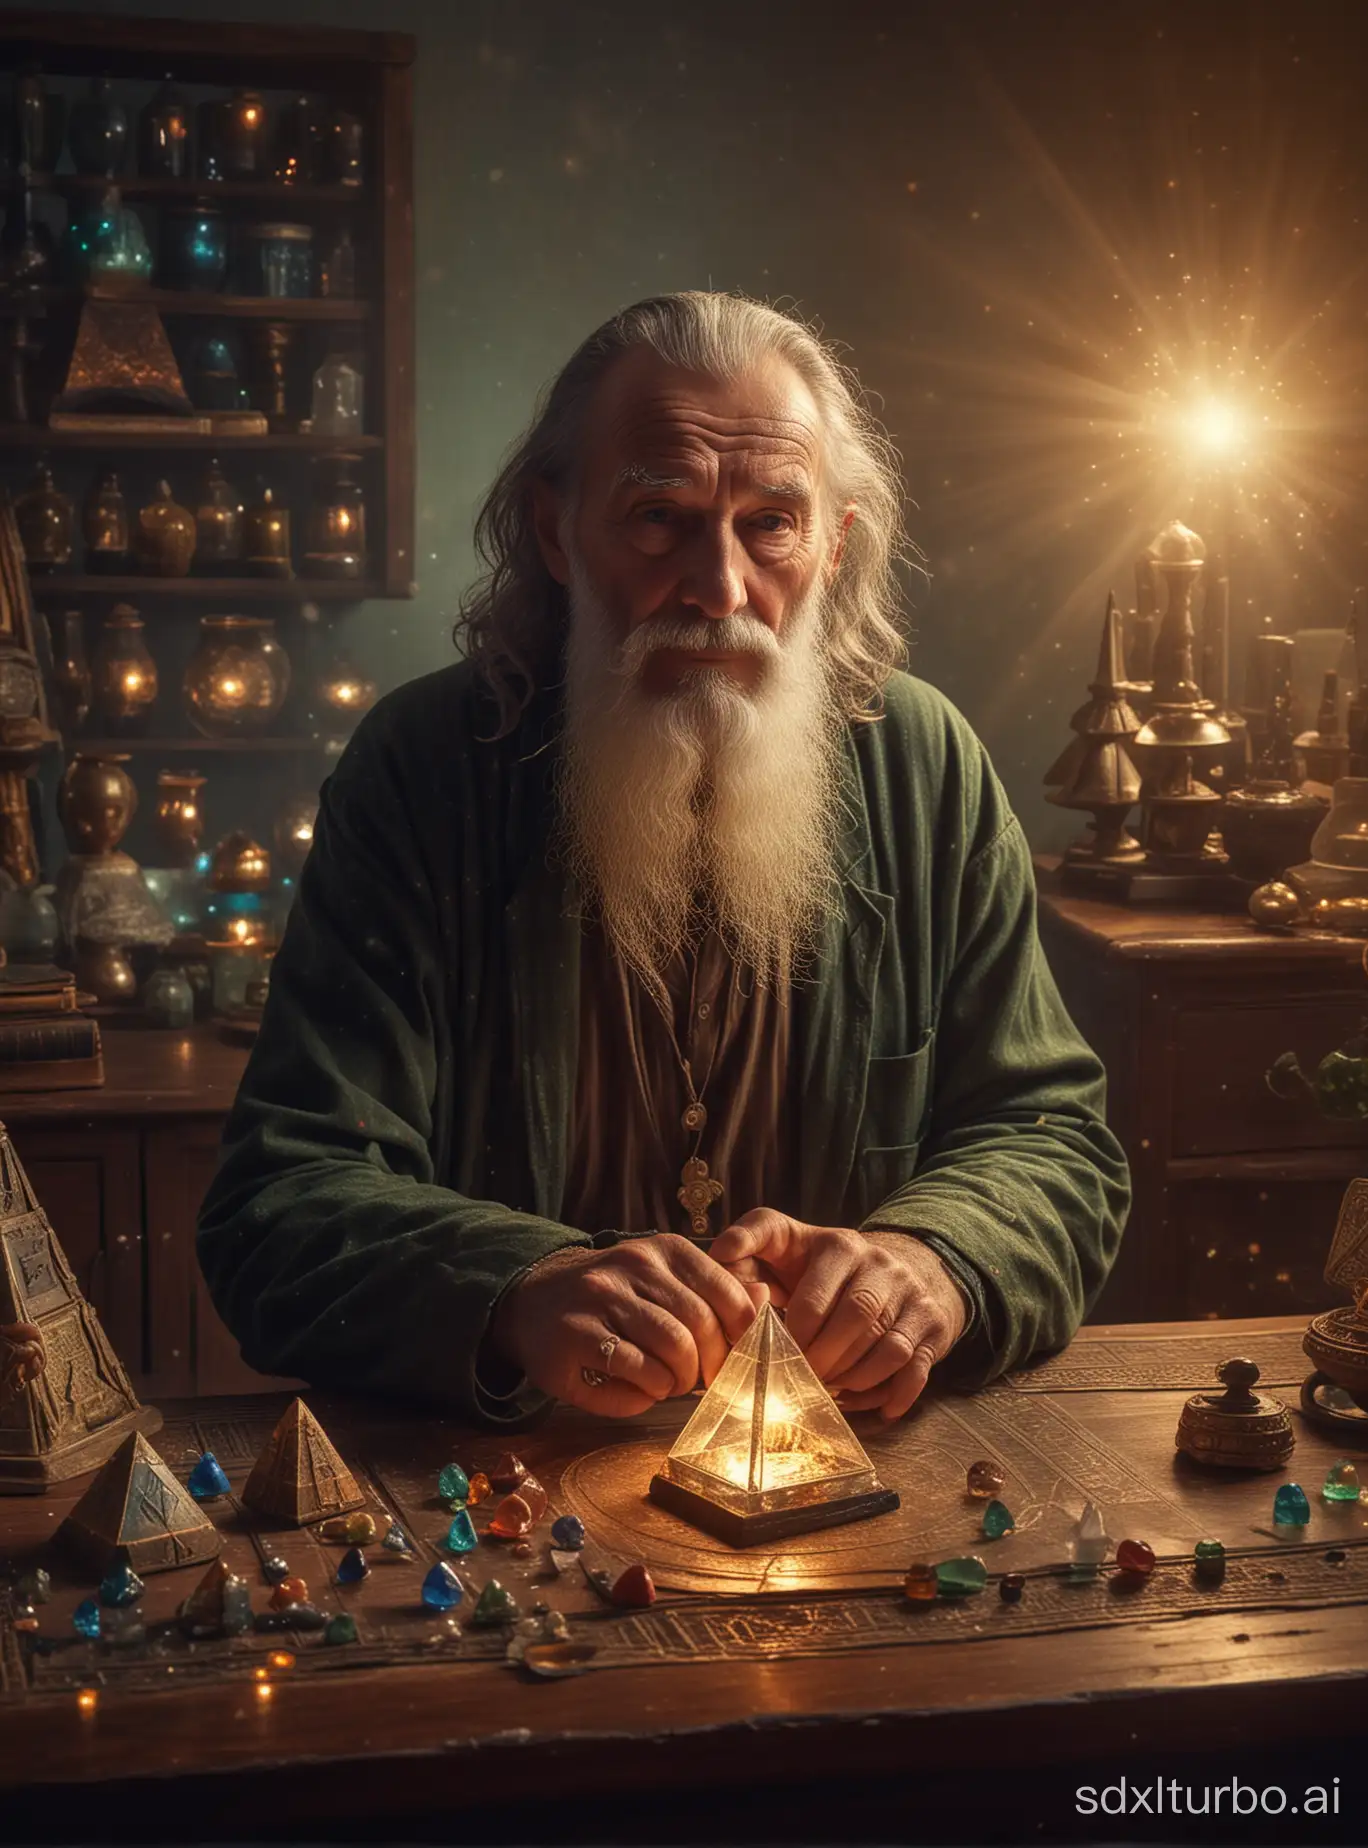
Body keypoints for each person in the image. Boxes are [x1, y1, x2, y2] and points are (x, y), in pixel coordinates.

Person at [197, 291, 1129, 1432]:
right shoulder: (425, 770)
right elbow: (280, 1206)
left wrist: (936, 1260)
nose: (720, 589)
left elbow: (1052, 1142)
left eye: (771, 523)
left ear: (831, 546)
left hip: (852, 1476)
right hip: (511, 1491)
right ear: (555, 530)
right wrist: (520, 1288)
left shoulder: (923, 765)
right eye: (658, 517)